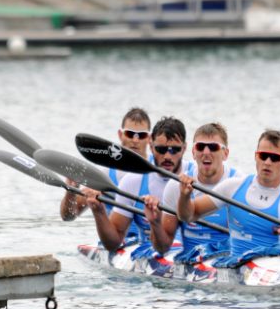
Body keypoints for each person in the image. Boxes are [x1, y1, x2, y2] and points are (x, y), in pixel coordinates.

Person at [177, 129, 280, 267]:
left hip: (277, 266)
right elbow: (189, 215)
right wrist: (185, 196)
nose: (267, 162)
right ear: (256, 156)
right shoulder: (232, 187)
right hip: (236, 267)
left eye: (275, 158)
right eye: (263, 156)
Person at [85, 116, 194, 255]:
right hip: (150, 252)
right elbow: (113, 244)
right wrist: (99, 212)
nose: (167, 156)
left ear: (184, 148)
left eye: (175, 150)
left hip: (194, 254)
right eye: (161, 149)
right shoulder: (133, 181)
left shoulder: (196, 178)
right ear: (151, 146)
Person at [143, 122, 243, 263]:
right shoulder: (175, 185)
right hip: (191, 262)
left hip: (228, 262)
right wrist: (155, 223)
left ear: (225, 154)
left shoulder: (238, 183)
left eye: (213, 147)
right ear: (193, 153)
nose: (206, 152)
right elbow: (162, 248)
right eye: (200, 147)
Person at [60, 107, 151, 241]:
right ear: (120, 135)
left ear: (149, 138)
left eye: (141, 135)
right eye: (130, 134)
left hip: (153, 243)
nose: (135, 140)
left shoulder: (159, 171)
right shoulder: (106, 176)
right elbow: (68, 216)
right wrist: (71, 191)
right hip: (118, 243)